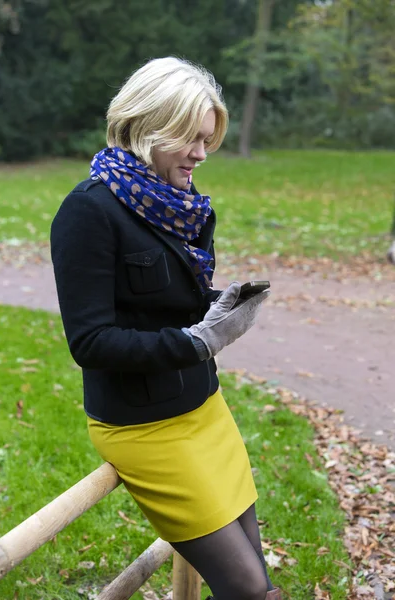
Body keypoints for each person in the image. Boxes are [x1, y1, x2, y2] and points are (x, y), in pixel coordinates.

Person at [50, 56, 281, 600]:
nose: (202, 155)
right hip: (144, 428)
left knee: (257, 578)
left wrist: (219, 306)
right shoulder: (87, 212)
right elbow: (90, 342)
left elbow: (170, 304)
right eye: (192, 140)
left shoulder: (183, 207)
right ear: (151, 127)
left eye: (207, 141)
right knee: (247, 587)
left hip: (205, 409)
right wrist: (195, 342)